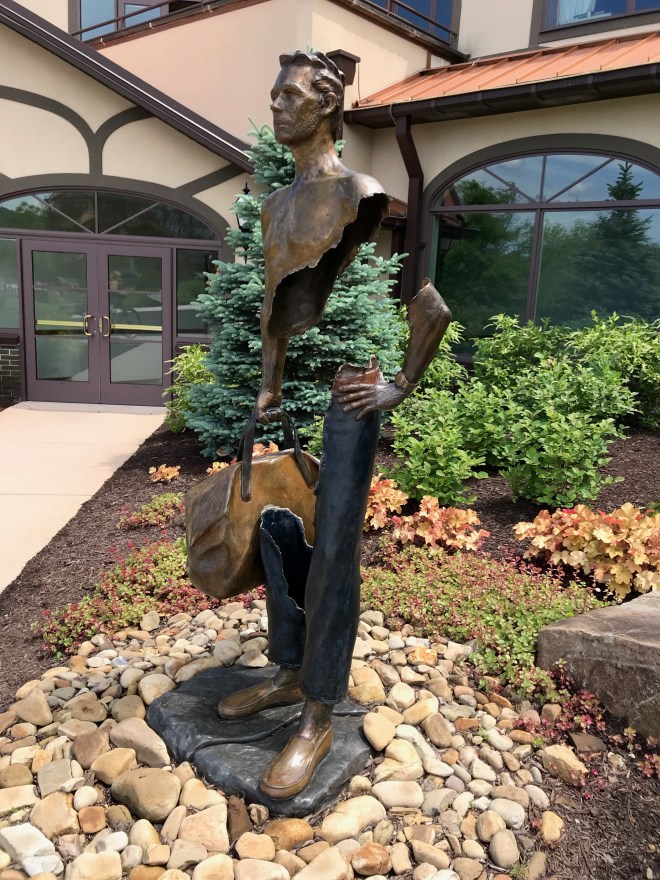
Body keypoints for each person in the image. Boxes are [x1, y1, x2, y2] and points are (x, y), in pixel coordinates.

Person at [217, 50, 451, 799]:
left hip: (353, 393)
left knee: (336, 554)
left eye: (289, 97)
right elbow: (272, 300)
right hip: (296, 395)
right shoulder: (275, 203)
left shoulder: (362, 192)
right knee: (278, 529)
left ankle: (318, 714)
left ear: (325, 106)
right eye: (273, 95)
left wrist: (401, 384)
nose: (276, 107)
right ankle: (290, 672)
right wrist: (269, 383)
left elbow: (433, 303)